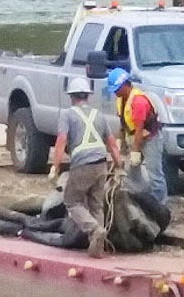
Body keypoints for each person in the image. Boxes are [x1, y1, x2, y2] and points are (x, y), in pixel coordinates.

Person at [48, 78, 123, 258]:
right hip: (101, 164)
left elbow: (61, 141)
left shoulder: (67, 115)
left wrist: (55, 167)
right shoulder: (99, 115)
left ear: (72, 97)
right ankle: (98, 247)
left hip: (82, 164)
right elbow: (112, 144)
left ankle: (95, 230)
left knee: (72, 201)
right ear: (87, 96)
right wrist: (119, 166)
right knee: (96, 205)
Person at [109, 67, 166, 204]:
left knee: (155, 176)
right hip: (135, 138)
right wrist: (119, 141)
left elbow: (140, 129)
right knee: (133, 175)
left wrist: (135, 151)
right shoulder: (122, 100)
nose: (115, 92)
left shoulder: (138, 101)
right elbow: (123, 123)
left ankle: (160, 205)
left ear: (124, 85)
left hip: (150, 139)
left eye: (116, 89)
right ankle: (140, 201)